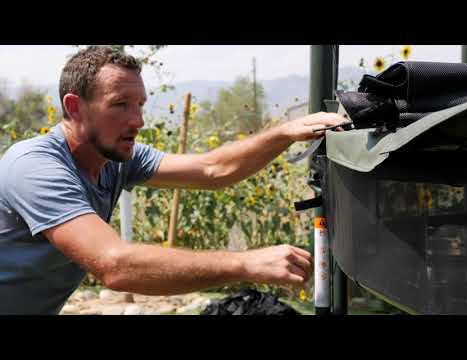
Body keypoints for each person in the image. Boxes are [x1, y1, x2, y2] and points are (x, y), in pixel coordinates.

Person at [0, 46, 345, 314]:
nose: (138, 121)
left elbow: (213, 169)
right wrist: (246, 262)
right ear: (74, 108)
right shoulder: (36, 167)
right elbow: (115, 265)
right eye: (120, 105)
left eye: (140, 104)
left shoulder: (116, 160)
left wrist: (283, 133)